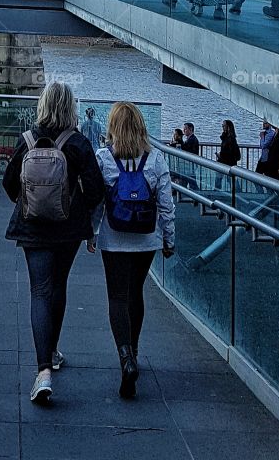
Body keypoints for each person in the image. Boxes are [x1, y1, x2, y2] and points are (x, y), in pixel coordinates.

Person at [2, 81, 105, 405]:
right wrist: (83, 216)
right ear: (71, 107)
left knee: (39, 291)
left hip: (32, 226)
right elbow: (95, 188)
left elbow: (8, 182)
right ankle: (54, 350)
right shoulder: (77, 142)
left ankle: (43, 368)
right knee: (58, 285)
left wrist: (29, 201)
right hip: (68, 227)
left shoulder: (28, 140)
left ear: (43, 105)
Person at [89, 102, 175, 398]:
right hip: (147, 238)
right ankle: (135, 352)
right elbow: (166, 205)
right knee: (136, 293)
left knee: (117, 296)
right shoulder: (155, 159)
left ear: (113, 127)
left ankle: (124, 357)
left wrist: (91, 232)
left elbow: (97, 202)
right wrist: (169, 239)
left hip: (114, 237)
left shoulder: (104, 158)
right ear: (141, 125)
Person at [214, 119, 241, 190]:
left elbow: (229, 152)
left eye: (224, 126)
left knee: (228, 179)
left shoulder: (230, 139)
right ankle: (237, 192)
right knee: (225, 179)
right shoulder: (226, 138)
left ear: (228, 127)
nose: (222, 127)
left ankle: (237, 193)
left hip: (227, 162)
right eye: (222, 126)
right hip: (225, 161)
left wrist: (221, 155)